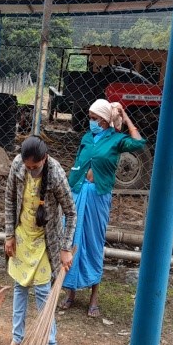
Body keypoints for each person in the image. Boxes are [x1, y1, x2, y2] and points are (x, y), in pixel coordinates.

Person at [61, 99, 146, 317]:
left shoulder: (116, 140)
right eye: (90, 118)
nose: (91, 122)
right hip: (78, 193)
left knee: (94, 242)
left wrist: (125, 117)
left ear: (105, 121)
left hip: (98, 197)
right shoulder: (87, 138)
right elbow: (79, 163)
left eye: (95, 118)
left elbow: (139, 143)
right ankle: (70, 292)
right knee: (71, 240)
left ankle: (93, 297)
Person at [1, 136, 76, 345]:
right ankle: (17, 338)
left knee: (44, 292)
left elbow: (71, 212)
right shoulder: (17, 166)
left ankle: (49, 343)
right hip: (23, 236)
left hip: (45, 241)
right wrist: (9, 235)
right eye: (28, 167)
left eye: (35, 167)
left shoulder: (56, 175)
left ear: (44, 159)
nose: (31, 170)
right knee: (19, 287)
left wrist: (65, 248)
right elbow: (9, 200)